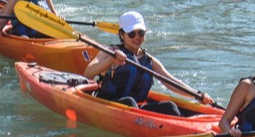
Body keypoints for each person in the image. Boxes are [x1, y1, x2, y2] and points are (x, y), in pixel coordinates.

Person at [83, 12, 213, 114]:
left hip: (138, 109)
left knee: (170, 106)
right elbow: (88, 73)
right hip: (110, 104)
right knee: (129, 102)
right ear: (122, 35)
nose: (137, 37)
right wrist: (111, 60)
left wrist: (197, 95)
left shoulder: (150, 60)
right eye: (132, 33)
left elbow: (172, 82)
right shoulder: (111, 51)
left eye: (141, 33)